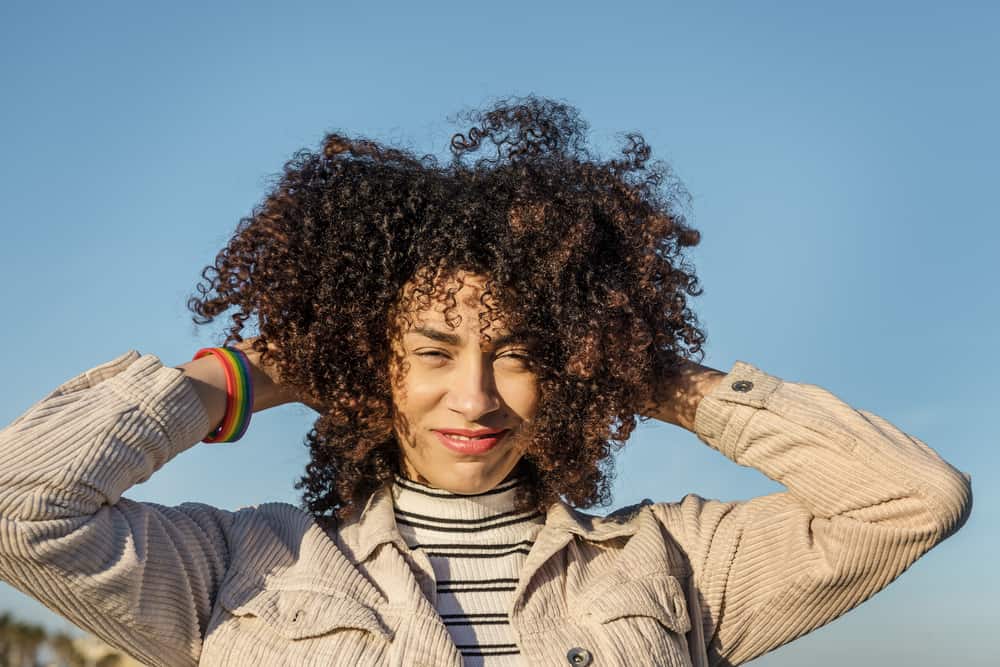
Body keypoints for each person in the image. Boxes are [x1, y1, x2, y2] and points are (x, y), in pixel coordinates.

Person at [0, 97, 971, 667]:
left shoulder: (676, 561)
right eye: (430, 352)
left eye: (517, 353)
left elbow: (912, 501)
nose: (474, 397)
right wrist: (248, 375)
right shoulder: (233, 566)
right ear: (368, 364)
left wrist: (658, 376)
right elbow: (20, 505)